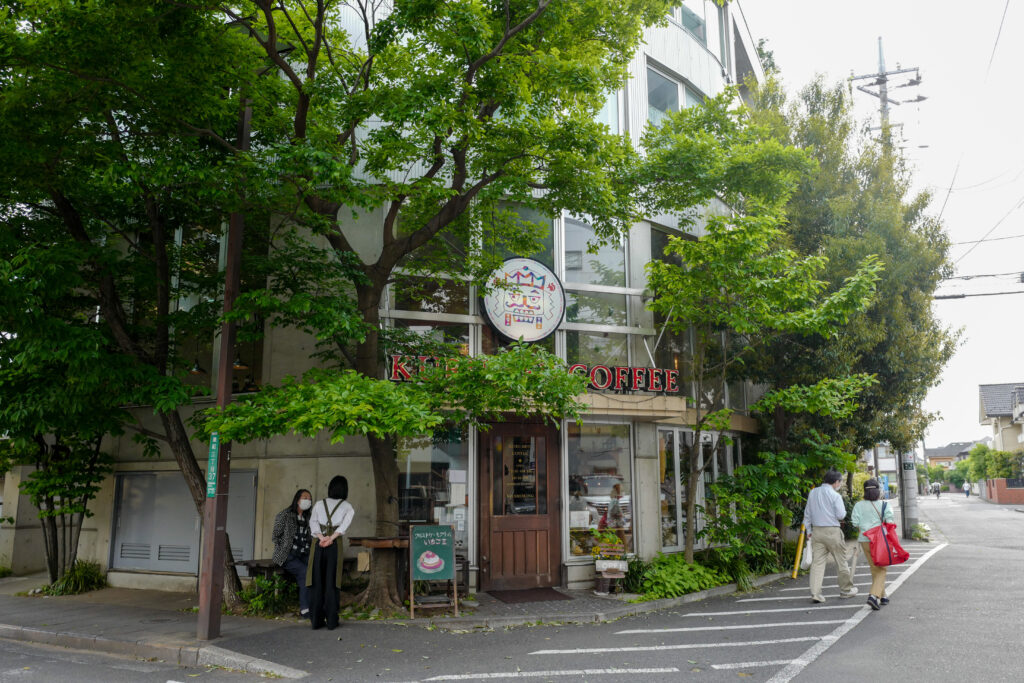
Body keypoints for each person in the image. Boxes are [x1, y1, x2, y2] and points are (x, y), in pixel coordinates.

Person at [803, 470, 858, 604]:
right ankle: (846, 590)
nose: (840, 484)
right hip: (832, 531)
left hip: (816, 531)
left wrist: (808, 530)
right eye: (840, 482)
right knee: (841, 561)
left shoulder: (813, 492)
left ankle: (816, 593)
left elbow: (807, 513)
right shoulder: (835, 495)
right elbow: (841, 515)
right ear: (836, 482)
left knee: (817, 563)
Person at [307, 476, 354, 630]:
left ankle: (316, 620)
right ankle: (332, 621)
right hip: (334, 546)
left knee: (316, 581)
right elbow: (343, 527)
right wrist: (331, 538)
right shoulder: (347, 506)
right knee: (332, 581)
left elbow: (313, 523)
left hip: (318, 545)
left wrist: (321, 537)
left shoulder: (319, 504)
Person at [851, 479, 895, 610]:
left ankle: (883, 596)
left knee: (874, 568)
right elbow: (890, 521)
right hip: (880, 540)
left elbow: (854, 523)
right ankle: (873, 595)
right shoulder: (884, 505)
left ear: (865, 491)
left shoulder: (858, 505)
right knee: (882, 569)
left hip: (864, 540)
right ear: (878, 490)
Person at [272, 489, 313, 619]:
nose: (308, 500)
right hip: (287, 555)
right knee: (305, 572)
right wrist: (284, 548)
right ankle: (305, 609)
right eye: (305, 497)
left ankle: (315, 605)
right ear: (297, 499)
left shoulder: (308, 517)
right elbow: (275, 536)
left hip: (303, 553)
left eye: (310, 498)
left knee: (314, 570)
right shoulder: (285, 514)